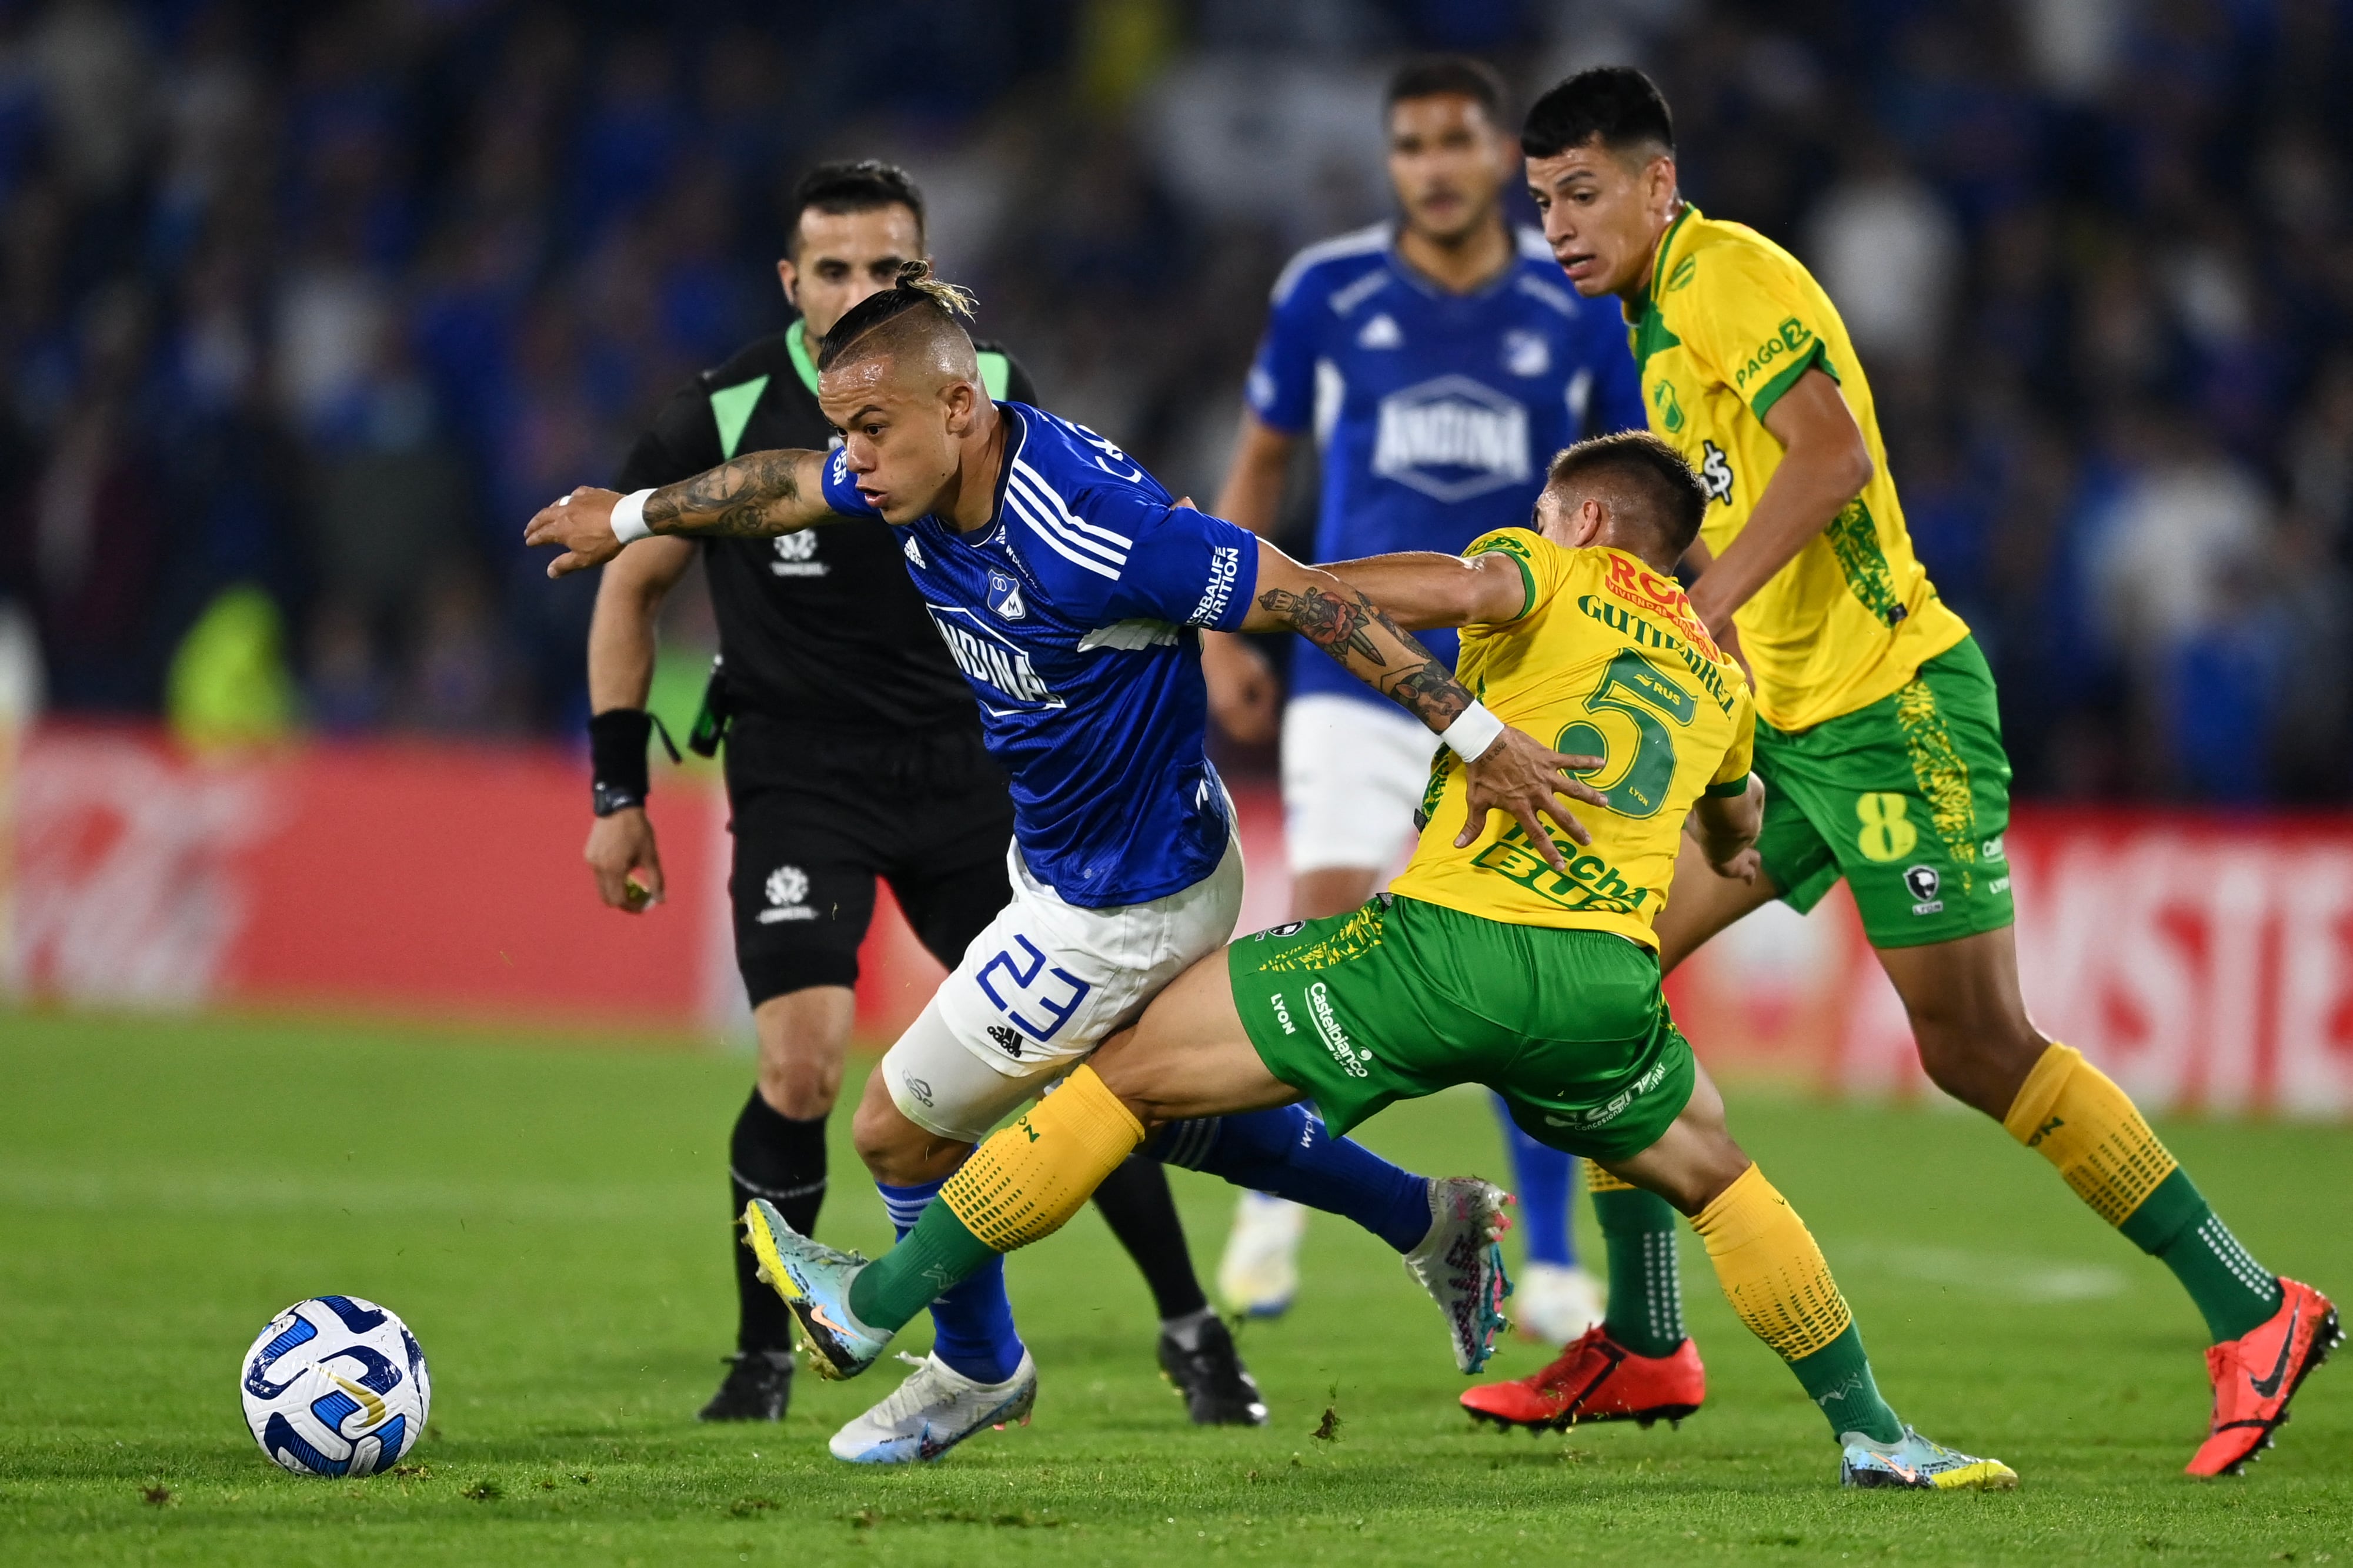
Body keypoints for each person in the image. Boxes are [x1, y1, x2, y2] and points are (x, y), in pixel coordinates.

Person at [744, 432, 2018, 1492]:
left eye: (1536, 513)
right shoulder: (1717, 677)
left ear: (1579, 518)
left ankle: (879, 1299)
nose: (1522, 526)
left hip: (1433, 954)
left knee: (1120, 1073)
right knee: (1722, 1176)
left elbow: (1435, 593)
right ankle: (1875, 1430)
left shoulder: (1545, 566)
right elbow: (1736, 834)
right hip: (1602, 993)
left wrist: (1242, 580)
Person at [529, 264, 1600, 1463]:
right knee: (1145, 1104)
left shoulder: (1096, 529)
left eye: (872, 431)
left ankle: (975, 1364)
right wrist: (628, 516)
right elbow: (779, 488)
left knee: (892, 1131)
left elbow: (1303, 595)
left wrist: (1473, 733)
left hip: (1127, 898)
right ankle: (1432, 1216)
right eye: (848, 432)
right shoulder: (911, 472)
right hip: (1077, 862)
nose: (855, 460)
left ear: (961, 409)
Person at [1497, 66, 2337, 1475]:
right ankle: (1646, 1337)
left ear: (1657, 181)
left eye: (1583, 194)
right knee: (1598, 965)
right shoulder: (1651, 328)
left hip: (1897, 712)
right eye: (1544, 205)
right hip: (1793, 726)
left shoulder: (1726, 276)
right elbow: (1752, 521)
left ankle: (2258, 1305)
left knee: (1976, 1045)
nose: (1562, 227)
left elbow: (1831, 459)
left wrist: (1697, 612)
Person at [583, 162, 1258, 1430]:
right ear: (791, 283)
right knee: (800, 1064)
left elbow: (1102, 561)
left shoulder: (976, 390)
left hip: (971, 766)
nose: (857, 290)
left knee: (1080, 1063)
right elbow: (632, 584)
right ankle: (765, 1356)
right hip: (801, 772)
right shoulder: (723, 409)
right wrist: (618, 785)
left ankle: (1190, 1321)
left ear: (926, 273)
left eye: (886, 270)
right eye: (832, 270)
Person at [1204, 54, 1645, 1341]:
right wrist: (1234, 617)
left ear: (1498, 153)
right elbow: (1263, 455)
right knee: (1331, 922)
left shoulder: (1568, 304)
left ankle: (1555, 1254)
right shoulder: (1326, 289)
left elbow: (1624, 492)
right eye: (1411, 146)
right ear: (1390, 161)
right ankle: (1274, 1189)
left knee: (1530, 957)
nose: (1434, 168)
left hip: (1522, 675)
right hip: (1356, 666)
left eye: (1457, 143)